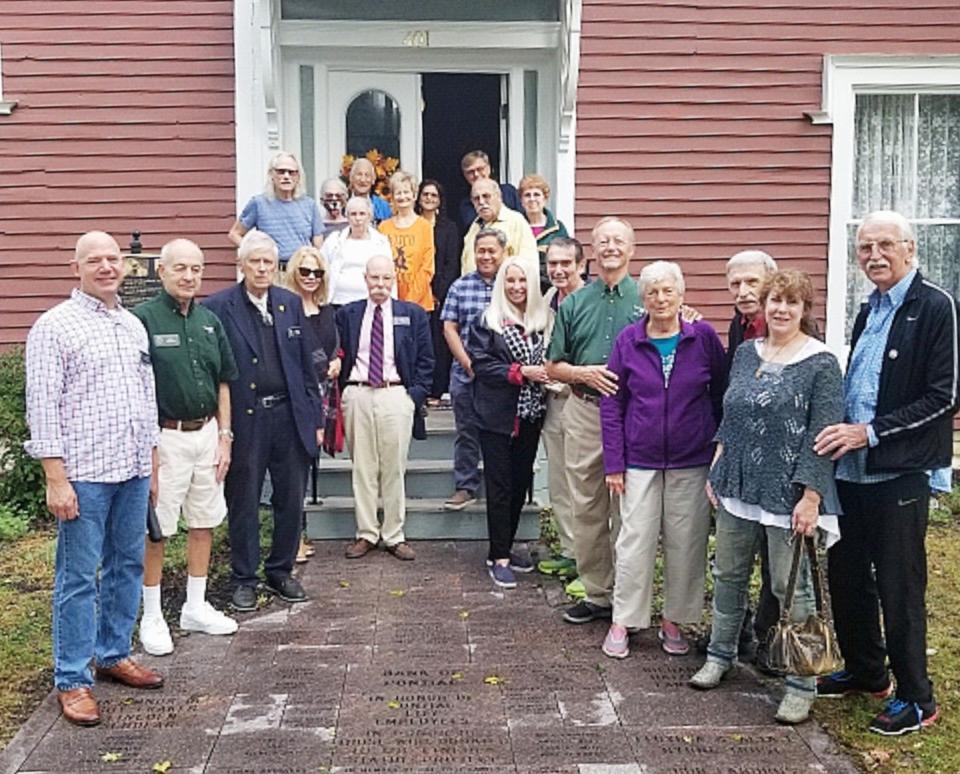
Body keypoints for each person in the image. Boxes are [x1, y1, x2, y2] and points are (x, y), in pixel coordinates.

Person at [813, 210, 959, 736]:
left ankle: (917, 697)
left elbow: (944, 397)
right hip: (851, 470)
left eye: (884, 246)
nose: (873, 255)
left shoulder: (936, 306)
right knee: (847, 577)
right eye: (864, 247)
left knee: (899, 585)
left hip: (900, 470)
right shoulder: (867, 309)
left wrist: (868, 432)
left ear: (910, 248)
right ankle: (866, 670)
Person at [689, 269, 843, 727]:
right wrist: (717, 464)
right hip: (738, 484)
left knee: (791, 589)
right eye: (775, 300)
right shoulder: (744, 353)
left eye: (791, 303)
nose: (780, 309)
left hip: (788, 491)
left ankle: (801, 683)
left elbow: (824, 434)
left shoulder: (821, 363)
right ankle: (720, 656)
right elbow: (730, 415)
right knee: (729, 574)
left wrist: (811, 496)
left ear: (804, 310)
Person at [25, 231, 164, 727]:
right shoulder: (54, 327)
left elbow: (147, 398)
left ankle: (112, 653)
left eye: (113, 259)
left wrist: (151, 462)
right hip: (84, 475)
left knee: (127, 564)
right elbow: (41, 407)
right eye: (95, 260)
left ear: (123, 266)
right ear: (76, 267)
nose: (106, 267)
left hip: (130, 469)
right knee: (78, 578)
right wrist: (55, 478)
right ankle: (72, 678)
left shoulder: (132, 326)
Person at [601, 261, 726, 659]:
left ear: (681, 295)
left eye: (668, 290)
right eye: (652, 291)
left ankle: (674, 619)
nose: (661, 298)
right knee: (634, 539)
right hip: (639, 459)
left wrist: (718, 450)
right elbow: (613, 403)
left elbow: (721, 395)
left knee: (686, 541)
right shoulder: (627, 341)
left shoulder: (703, 337)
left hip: (692, 457)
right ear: (643, 299)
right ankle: (624, 619)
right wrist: (614, 463)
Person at [204, 231, 323, 612]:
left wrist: (315, 416)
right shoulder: (220, 307)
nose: (261, 268)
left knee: (291, 497)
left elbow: (307, 367)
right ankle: (244, 578)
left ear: (276, 266)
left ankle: (280, 570)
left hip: (290, 415)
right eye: (254, 261)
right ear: (241, 265)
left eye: (268, 262)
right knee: (245, 499)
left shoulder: (289, 303)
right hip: (246, 417)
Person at [134, 239, 240, 657]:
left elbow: (224, 382)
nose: (189, 276)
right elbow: (135, 387)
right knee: (157, 529)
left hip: (207, 435)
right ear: (161, 271)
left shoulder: (210, 322)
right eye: (180, 268)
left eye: (195, 269)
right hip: (166, 438)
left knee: (204, 520)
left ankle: (195, 607)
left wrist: (225, 436)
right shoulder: (141, 320)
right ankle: (153, 614)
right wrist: (149, 449)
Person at [545, 217, 643, 623]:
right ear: (593, 252)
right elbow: (552, 366)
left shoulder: (647, 297)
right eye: (603, 242)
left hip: (634, 415)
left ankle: (628, 596)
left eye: (618, 241)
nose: (610, 248)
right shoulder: (573, 304)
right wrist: (581, 374)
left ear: (631, 249)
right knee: (586, 506)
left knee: (630, 511)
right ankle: (598, 593)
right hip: (584, 410)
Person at [336, 254, 434, 560]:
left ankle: (394, 534)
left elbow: (427, 360)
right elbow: (337, 352)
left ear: (395, 279)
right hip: (358, 393)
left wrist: (413, 396)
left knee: (394, 467)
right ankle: (366, 532)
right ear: (365, 279)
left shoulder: (413, 314)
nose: (380, 284)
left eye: (386, 278)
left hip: (395, 394)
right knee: (363, 468)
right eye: (374, 278)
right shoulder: (347, 314)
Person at [469, 257, 550, 588]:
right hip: (498, 416)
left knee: (520, 484)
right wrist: (520, 373)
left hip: (531, 414)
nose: (517, 287)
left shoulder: (542, 320)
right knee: (500, 486)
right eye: (510, 281)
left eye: (522, 281)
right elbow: (481, 365)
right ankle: (498, 556)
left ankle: (505, 545)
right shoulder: (487, 321)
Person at [722, 248, 781, 669]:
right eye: (735, 284)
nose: (743, 292)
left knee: (775, 558)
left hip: (778, 459)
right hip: (740, 455)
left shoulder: (789, 329)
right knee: (735, 551)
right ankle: (740, 632)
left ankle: (771, 639)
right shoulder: (739, 328)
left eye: (751, 283)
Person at [440, 228, 506, 512]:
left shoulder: (513, 285)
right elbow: (449, 327)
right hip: (465, 372)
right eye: (481, 250)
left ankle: (497, 486)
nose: (486, 256)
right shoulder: (460, 286)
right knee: (467, 430)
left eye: (492, 250)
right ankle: (466, 486)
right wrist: (468, 362)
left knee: (499, 435)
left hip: (503, 375)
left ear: (503, 253)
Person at [284, 245, 341, 563]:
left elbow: (334, 347)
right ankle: (293, 540)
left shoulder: (329, 310)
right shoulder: (285, 308)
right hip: (295, 398)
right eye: (304, 271)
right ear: (294, 272)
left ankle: (300, 535)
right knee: (294, 473)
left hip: (323, 395)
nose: (310, 277)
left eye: (316, 272)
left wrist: (336, 362)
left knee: (308, 465)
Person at [536, 238, 587, 581]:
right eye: (552, 264)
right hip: (552, 401)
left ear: (581, 265)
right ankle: (570, 551)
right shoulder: (547, 301)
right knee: (559, 480)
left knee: (583, 482)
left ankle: (591, 560)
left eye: (565, 263)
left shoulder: (591, 301)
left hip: (582, 400)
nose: (558, 270)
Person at [228, 151, 324, 265]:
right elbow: (234, 234)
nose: (286, 176)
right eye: (281, 172)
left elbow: (318, 244)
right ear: (271, 175)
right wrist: (254, 252)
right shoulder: (259, 203)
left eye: (291, 172)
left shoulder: (309, 205)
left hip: (301, 272)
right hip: (272, 270)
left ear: (298, 177)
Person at [416, 178, 462, 405]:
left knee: (438, 343)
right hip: (416, 293)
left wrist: (437, 292)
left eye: (434, 195)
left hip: (439, 296)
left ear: (440, 200)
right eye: (425, 194)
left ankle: (436, 391)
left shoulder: (449, 228)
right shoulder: (413, 225)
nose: (429, 199)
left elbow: (451, 263)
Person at [378, 170, 435, 312]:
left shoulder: (424, 226)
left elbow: (427, 268)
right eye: (398, 193)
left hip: (419, 304)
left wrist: (408, 302)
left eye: (406, 192)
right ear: (392, 196)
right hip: (388, 302)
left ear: (414, 195)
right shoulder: (383, 227)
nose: (402, 197)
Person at [461, 178, 538, 278]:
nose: (481, 202)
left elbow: (529, 265)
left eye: (486, 196)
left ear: (499, 197)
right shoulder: (474, 227)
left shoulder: (516, 222)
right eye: (476, 198)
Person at [323, 196, 393, 306]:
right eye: (353, 214)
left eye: (362, 214)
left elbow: (389, 274)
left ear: (369, 216)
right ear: (347, 216)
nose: (358, 218)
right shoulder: (334, 240)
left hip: (370, 303)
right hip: (339, 301)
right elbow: (322, 268)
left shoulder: (381, 242)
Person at [518, 173, 569, 292]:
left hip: (550, 289)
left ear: (545, 199)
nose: (532, 199)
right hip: (520, 289)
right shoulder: (516, 226)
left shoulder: (558, 229)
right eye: (527, 195)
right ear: (521, 201)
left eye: (536, 194)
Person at [457, 149, 523, 235]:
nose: (476, 174)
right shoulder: (465, 204)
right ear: (465, 176)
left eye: (480, 169)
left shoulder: (509, 192)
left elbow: (523, 220)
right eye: (470, 172)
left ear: (489, 168)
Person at [348, 157, 392, 224]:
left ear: (373, 180)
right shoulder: (343, 204)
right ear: (351, 178)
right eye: (359, 174)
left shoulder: (383, 206)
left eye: (367, 175)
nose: (363, 180)